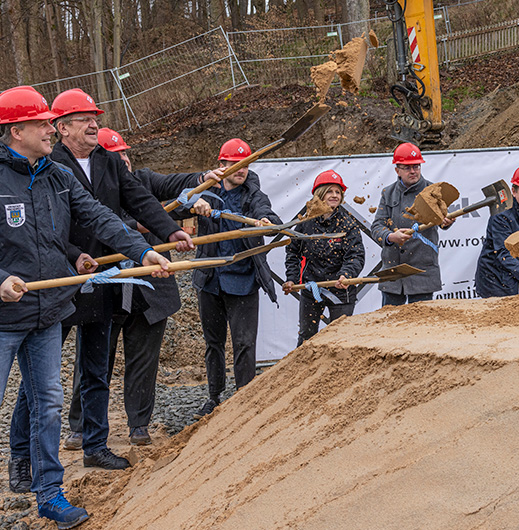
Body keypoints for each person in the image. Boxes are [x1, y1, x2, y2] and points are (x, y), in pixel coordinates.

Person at [0, 86, 170, 530]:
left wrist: (142, 251)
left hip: (48, 313)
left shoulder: (57, 177)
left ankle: (49, 493)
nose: (50, 129)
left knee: (49, 406)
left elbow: (99, 217)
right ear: (15, 131)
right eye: (42, 123)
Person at [7, 89, 191, 484]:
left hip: (102, 279)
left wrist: (170, 231)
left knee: (96, 369)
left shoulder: (108, 161)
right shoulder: (48, 164)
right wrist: (74, 253)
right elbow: (42, 226)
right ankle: (21, 457)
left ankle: (95, 446)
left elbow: (139, 199)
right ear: (62, 127)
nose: (94, 124)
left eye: (95, 118)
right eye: (85, 119)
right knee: (39, 376)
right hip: (59, 281)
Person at [99, 128, 214, 446]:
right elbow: (94, 223)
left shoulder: (143, 180)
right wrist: (134, 225)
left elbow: (173, 190)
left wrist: (198, 190)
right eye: (115, 155)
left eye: (125, 153)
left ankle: (138, 425)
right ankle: (83, 427)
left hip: (149, 289)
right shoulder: (91, 189)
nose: (123, 159)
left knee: (143, 360)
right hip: (107, 287)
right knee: (96, 361)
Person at [174, 139, 279, 416]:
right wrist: (193, 201)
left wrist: (267, 223)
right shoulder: (207, 191)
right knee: (214, 343)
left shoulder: (254, 195)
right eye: (234, 164)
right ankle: (214, 396)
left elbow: (268, 216)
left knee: (244, 343)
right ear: (221, 165)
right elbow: (176, 207)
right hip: (210, 279)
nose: (240, 170)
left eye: (245, 164)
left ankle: (244, 398)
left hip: (243, 280)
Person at [283, 170, 366, 345]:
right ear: (319, 194)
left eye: (338, 192)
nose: (334, 195)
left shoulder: (348, 224)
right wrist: (291, 278)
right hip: (311, 287)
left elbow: (356, 255)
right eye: (329, 191)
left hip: (341, 289)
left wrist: (346, 275)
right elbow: (293, 252)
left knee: (340, 340)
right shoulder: (305, 222)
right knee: (306, 337)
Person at [369, 143, 454, 305]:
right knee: (390, 320)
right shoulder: (388, 193)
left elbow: (443, 220)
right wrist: (391, 236)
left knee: (422, 321)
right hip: (393, 273)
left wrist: (446, 222)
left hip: (422, 272)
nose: (413, 171)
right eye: (407, 168)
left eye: (416, 166)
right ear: (397, 170)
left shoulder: (433, 191)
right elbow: (377, 227)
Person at [475, 165, 519, 296]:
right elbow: (503, 252)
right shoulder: (501, 215)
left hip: (508, 274)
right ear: (513, 191)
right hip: (493, 277)